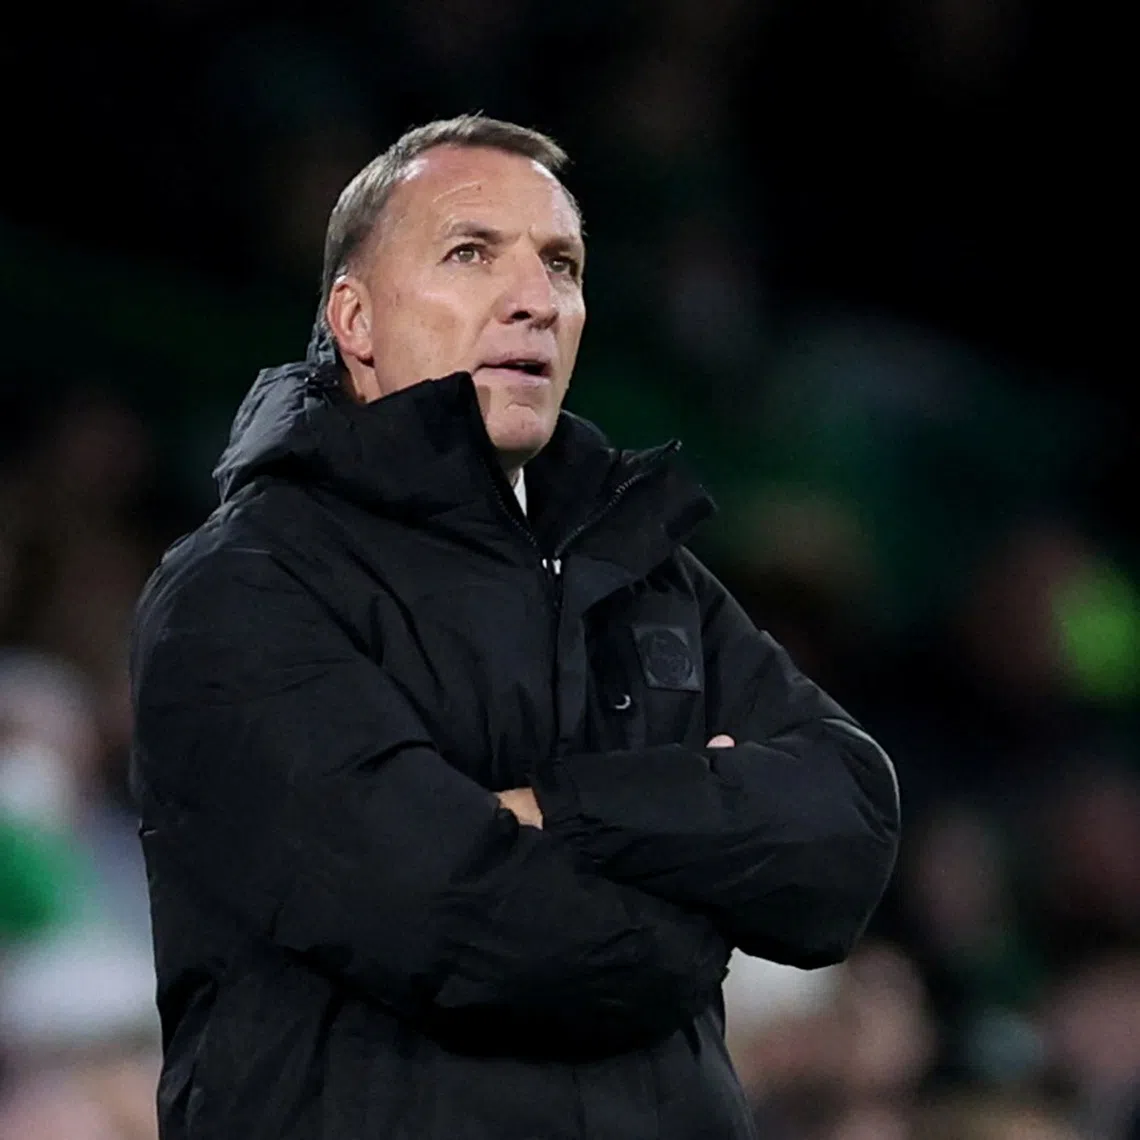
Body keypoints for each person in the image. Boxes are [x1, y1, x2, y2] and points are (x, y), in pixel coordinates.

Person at [129, 114, 901, 1140]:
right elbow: (454, 916)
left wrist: (555, 809)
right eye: (470, 254)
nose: (535, 300)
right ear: (355, 321)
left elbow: (847, 826)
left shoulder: (644, 568)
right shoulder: (240, 589)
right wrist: (705, 898)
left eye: (563, 266)